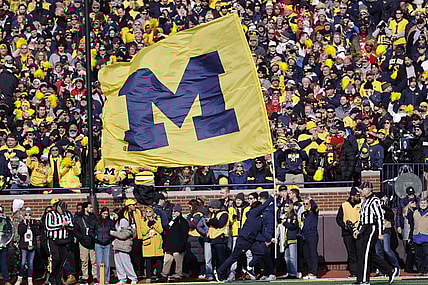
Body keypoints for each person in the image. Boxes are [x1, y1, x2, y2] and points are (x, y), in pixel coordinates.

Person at [216, 195, 274, 281]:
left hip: (251, 240)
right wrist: (271, 197)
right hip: (244, 239)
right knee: (234, 257)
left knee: (260, 252)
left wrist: (270, 238)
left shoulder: (259, 219)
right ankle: (220, 271)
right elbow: (263, 206)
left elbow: (262, 231)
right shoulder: (253, 213)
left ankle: (249, 266)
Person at [353, 181, 398, 285]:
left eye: (363, 189)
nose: (361, 191)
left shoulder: (375, 200)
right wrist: (357, 230)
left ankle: (364, 280)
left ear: (369, 189)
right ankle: (389, 270)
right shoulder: (364, 201)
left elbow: (379, 217)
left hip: (372, 228)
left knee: (365, 254)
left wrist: (381, 232)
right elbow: (362, 218)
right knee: (366, 254)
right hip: (364, 228)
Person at [45, 200, 74, 285]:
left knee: (63, 260)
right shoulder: (50, 214)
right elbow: (49, 226)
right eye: (61, 208)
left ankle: (58, 280)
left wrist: (68, 225)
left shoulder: (67, 214)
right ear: (57, 207)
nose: (62, 210)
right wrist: (62, 225)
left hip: (64, 241)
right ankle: (52, 277)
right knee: (56, 259)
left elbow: (72, 226)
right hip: (53, 240)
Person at [336, 187, 361, 277]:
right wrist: (345, 226)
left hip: (359, 232)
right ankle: (354, 272)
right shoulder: (344, 205)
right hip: (348, 233)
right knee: (351, 253)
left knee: (360, 252)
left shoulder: (362, 204)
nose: (358, 197)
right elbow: (338, 219)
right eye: (357, 195)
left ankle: (362, 271)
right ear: (352, 195)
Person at [159, 204, 189, 282]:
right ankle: (164, 274)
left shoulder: (182, 222)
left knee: (178, 261)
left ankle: (178, 274)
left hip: (178, 245)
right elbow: (167, 231)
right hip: (169, 245)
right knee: (167, 260)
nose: (173, 213)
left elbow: (185, 234)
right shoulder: (170, 221)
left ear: (179, 212)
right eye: (173, 211)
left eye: (175, 211)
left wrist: (182, 245)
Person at [110, 209, 138, 285]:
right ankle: (122, 279)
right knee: (118, 263)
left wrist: (112, 233)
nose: (113, 216)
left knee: (126, 262)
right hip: (117, 245)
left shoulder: (123, 221)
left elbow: (124, 234)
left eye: (114, 214)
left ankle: (133, 278)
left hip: (123, 245)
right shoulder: (116, 222)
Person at [73, 202, 96, 284]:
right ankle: (85, 277)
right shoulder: (79, 218)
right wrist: (81, 238)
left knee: (94, 261)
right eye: (90, 207)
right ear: (85, 208)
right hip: (83, 242)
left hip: (92, 241)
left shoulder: (94, 218)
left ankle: (95, 276)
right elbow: (75, 230)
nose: (91, 209)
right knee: (84, 261)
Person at [16, 207, 40, 285]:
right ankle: (20, 278)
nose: (28, 216)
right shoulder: (21, 224)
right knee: (23, 262)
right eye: (26, 215)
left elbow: (37, 232)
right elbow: (20, 233)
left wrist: (32, 225)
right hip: (24, 246)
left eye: (29, 215)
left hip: (32, 246)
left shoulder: (34, 223)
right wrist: (25, 224)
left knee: (30, 263)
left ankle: (30, 279)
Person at [93, 207, 115, 284]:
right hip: (98, 243)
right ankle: (99, 279)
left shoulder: (110, 222)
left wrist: (110, 238)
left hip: (107, 243)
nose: (105, 215)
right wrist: (95, 237)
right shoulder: (96, 221)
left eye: (106, 213)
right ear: (101, 213)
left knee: (107, 263)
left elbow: (113, 231)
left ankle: (107, 279)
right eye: (104, 213)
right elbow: (91, 231)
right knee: (99, 263)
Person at [278, 199, 299, 279]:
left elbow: (293, 226)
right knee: (286, 257)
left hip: (292, 238)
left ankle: (293, 273)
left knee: (293, 257)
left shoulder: (293, 216)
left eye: (287, 206)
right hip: (285, 239)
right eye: (284, 206)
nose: (285, 208)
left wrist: (285, 223)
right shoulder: (284, 216)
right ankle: (289, 272)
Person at [141, 206, 164, 281]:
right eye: (146, 212)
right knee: (148, 261)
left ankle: (159, 275)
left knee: (159, 260)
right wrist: (148, 225)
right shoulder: (143, 220)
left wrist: (154, 224)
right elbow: (143, 231)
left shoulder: (158, 219)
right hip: (148, 243)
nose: (148, 213)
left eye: (150, 211)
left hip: (157, 242)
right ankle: (148, 276)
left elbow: (160, 230)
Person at [301, 197, 319, 280]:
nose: (305, 205)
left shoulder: (314, 212)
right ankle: (309, 272)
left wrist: (311, 200)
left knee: (312, 254)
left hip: (312, 235)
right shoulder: (304, 214)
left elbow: (315, 206)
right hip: (305, 236)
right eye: (304, 204)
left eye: (307, 204)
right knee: (306, 255)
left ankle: (314, 272)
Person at [411, 197, 428, 275]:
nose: (423, 205)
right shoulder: (415, 212)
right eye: (421, 203)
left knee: (426, 254)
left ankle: (426, 270)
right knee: (418, 255)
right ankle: (420, 270)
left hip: (426, 236)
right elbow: (410, 222)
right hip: (416, 236)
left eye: (425, 203)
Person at [0, 205, 13, 285]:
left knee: (3, 263)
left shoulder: (6, 221)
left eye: (1, 212)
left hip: (3, 244)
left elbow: (9, 232)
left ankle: (6, 280)